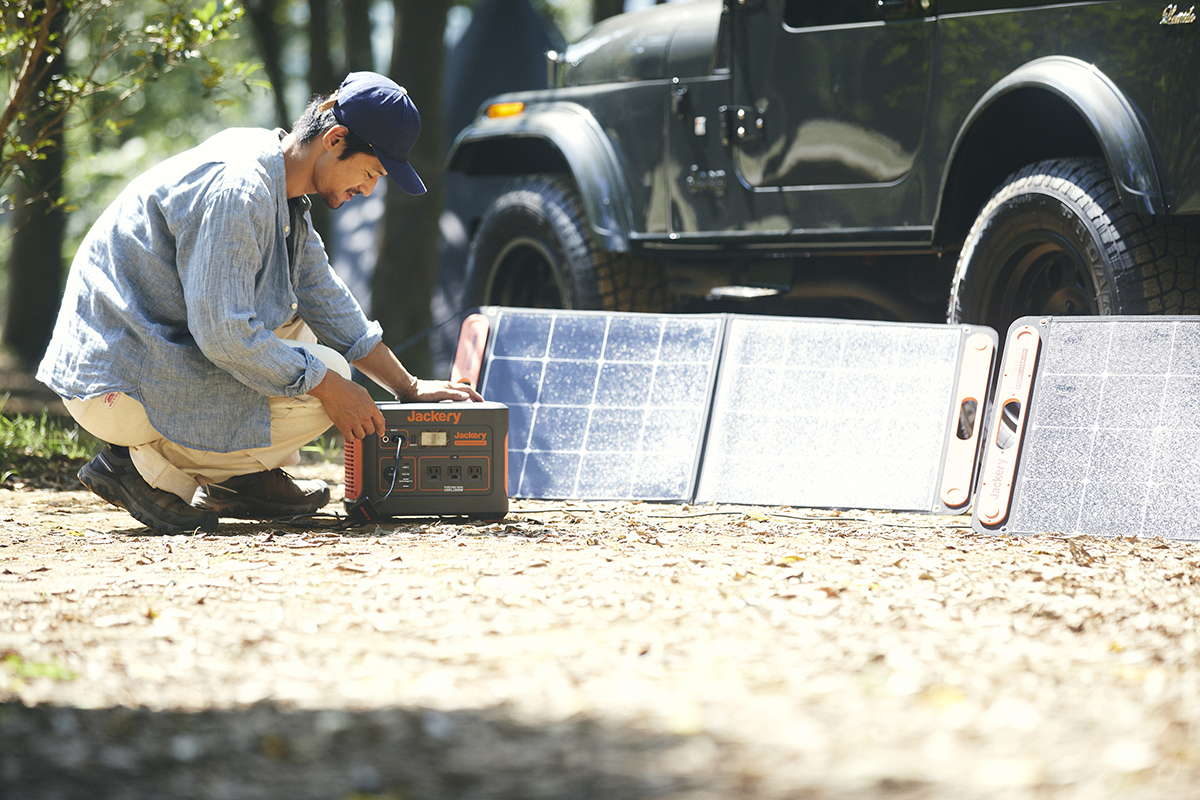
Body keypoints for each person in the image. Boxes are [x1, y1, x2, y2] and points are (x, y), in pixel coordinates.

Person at [37, 72, 481, 535]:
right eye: (371, 172)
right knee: (324, 380)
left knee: (305, 331)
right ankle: (139, 466)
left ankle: (240, 478)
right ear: (335, 139)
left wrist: (408, 387)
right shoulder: (242, 190)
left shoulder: (284, 187)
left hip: (154, 349)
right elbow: (223, 333)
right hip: (117, 379)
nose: (368, 189)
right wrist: (328, 386)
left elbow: (326, 300)